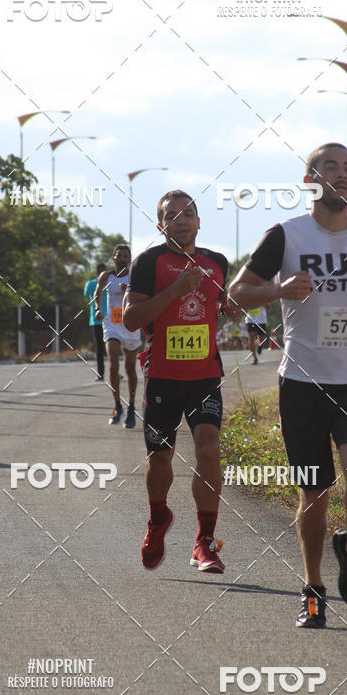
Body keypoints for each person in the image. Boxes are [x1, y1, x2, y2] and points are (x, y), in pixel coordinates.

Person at [229, 143, 347, 628]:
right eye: (330, 167)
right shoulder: (285, 235)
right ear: (311, 181)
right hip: (303, 383)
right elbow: (235, 296)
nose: (342, 174)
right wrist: (277, 290)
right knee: (314, 493)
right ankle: (313, 588)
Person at [123, 190, 242, 573]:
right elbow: (130, 319)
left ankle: (204, 541)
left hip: (204, 375)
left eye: (188, 213)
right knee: (160, 458)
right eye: (172, 215)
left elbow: (227, 307)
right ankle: (158, 519)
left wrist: (233, 307)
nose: (182, 220)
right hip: (162, 378)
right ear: (161, 225)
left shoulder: (218, 263)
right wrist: (175, 291)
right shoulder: (148, 263)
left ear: (199, 221)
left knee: (209, 448)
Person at [95, 245, 141, 428]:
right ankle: (116, 406)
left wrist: (130, 290)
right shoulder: (106, 276)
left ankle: (131, 408)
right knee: (113, 364)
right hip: (112, 324)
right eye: (119, 255)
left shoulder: (134, 276)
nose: (122, 258)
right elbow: (96, 293)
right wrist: (98, 309)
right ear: (113, 258)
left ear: (130, 259)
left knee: (130, 368)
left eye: (125, 256)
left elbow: (145, 296)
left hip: (130, 324)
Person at [84, 263, 107, 380]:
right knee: (103, 348)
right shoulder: (93, 284)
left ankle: (106, 373)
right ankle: (102, 373)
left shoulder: (91, 284)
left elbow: (86, 295)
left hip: (106, 320)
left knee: (104, 348)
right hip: (99, 320)